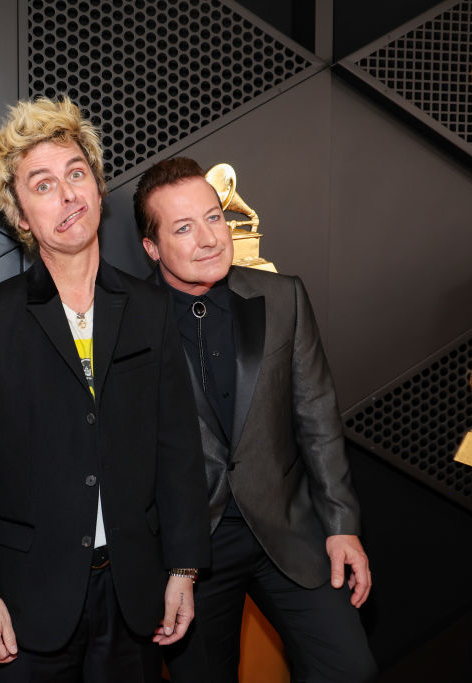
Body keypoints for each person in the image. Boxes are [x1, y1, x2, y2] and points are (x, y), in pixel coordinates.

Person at [0, 98, 211, 682]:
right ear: (20, 216)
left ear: (97, 184)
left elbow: (178, 450)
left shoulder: (148, 308)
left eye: (75, 174)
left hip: (135, 590)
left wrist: (184, 570)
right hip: (25, 600)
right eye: (43, 185)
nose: (67, 196)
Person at [134, 157, 378, 683]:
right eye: (183, 227)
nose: (209, 238)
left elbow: (317, 419)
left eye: (213, 218)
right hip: (188, 553)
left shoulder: (282, 297)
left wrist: (341, 526)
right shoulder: (127, 323)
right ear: (152, 248)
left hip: (288, 532)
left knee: (351, 671)